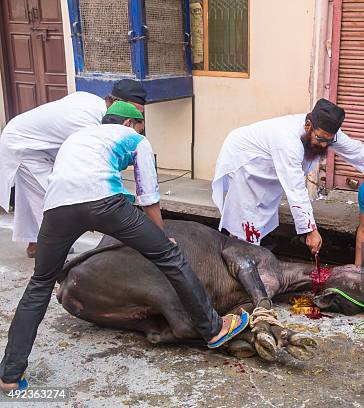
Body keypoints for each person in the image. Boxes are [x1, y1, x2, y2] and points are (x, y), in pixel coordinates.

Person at [0, 102, 248, 392]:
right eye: (140, 127)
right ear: (129, 124)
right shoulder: (135, 140)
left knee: (39, 284)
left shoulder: (77, 137)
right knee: (171, 258)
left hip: (56, 209)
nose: (142, 133)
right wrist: (160, 237)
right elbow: (148, 196)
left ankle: (9, 374)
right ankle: (213, 328)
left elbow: (74, 181)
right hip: (104, 200)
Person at [212, 98, 364, 254]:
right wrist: (310, 230)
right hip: (244, 160)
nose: (323, 145)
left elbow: (355, 149)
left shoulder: (326, 134)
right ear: (307, 125)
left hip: (267, 164)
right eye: (320, 139)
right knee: (245, 215)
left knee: (262, 209)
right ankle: (238, 256)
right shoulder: (287, 141)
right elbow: (296, 190)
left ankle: (253, 250)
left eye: (328, 142)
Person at [0, 79, 146, 258]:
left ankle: (38, 245)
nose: (138, 124)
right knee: (56, 196)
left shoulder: (100, 109)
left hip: (40, 144)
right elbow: (98, 166)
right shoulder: (88, 120)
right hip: (22, 143)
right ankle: (46, 250)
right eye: (135, 115)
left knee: (44, 196)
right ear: (117, 103)